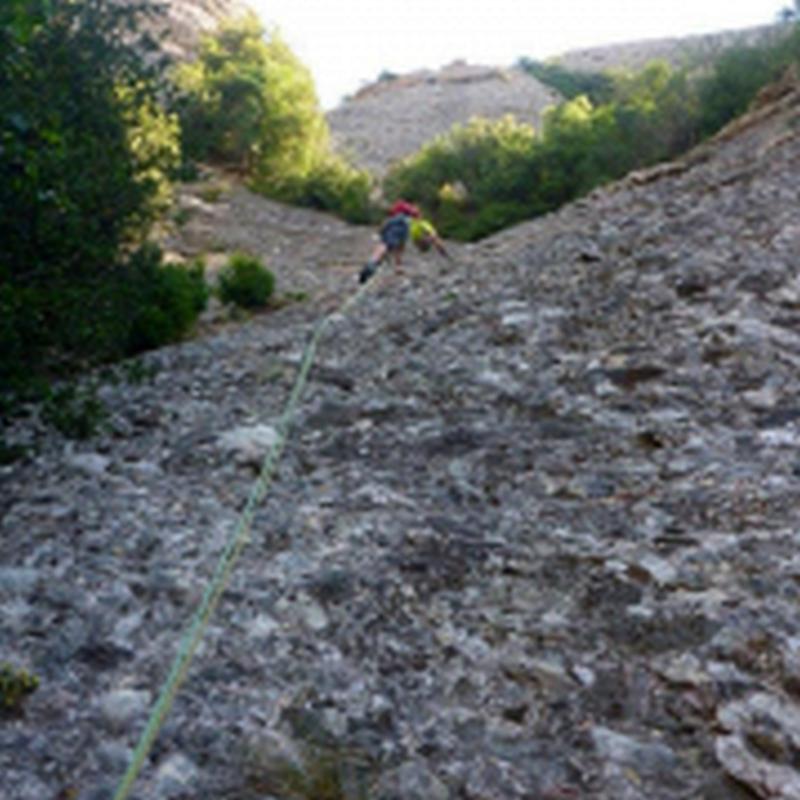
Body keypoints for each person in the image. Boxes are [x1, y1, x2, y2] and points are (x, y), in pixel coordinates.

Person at [359, 200, 450, 283]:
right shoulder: (420, 222)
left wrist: (380, 232)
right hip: (403, 223)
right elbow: (433, 237)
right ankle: (375, 264)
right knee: (391, 245)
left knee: (384, 244)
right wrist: (444, 253)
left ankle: (372, 262)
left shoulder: (399, 207)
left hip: (391, 222)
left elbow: (386, 222)